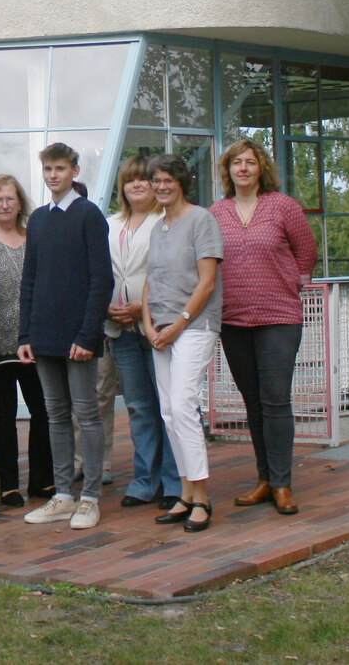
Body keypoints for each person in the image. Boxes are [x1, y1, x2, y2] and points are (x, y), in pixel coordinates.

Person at [211, 138, 317, 517]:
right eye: (236, 163)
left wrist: (293, 285)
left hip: (278, 318)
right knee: (252, 402)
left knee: (275, 399)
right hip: (233, 319)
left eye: (250, 163)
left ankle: (283, 483)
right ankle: (264, 479)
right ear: (228, 170)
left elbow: (306, 251)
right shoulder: (216, 212)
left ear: (261, 169)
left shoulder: (282, 207)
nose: (243, 168)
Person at [19, 143, 116, 531]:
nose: (53, 175)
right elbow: (30, 279)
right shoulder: (39, 219)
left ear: (74, 170)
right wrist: (25, 332)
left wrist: (88, 334)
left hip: (79, 337)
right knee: (55, 414)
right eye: (47, 168)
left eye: (60, 168)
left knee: (86, 414)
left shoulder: (89, 215)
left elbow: (101, 279)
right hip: (43, 334)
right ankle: (62, 495)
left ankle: (89, 497)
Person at [142, 153, 224, 531]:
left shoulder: (201, 220)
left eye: (166, 180)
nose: (160, 187)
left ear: (181, 183)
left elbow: (207, 282)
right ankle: (186, 494)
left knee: (183, 404)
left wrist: (180, 323)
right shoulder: (157, 227)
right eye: (155, 180)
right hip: (160, 330)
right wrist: (148, 324)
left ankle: (202, 498)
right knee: (168, 412)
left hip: (193, 326)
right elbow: (150, 281)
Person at [106, 155, 180, 510]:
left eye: (144, 180)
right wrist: (107, 307)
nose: (136, 185)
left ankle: (172, 481)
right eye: (130, 180)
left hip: (158, 327)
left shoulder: (166, 223)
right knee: (138, 407)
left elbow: (171, 274)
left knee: (167, 405)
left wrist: (141, 308)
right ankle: (144, 480)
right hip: (119, 330)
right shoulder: (109, 225)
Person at [0, 173, 53, 508]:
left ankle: (42, 480)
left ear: (20, 202)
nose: (5, 205)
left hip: (34, 341)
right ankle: (9, 483)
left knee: (44, 412)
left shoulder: (35, 238)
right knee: (1, 416)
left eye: (10, 199)